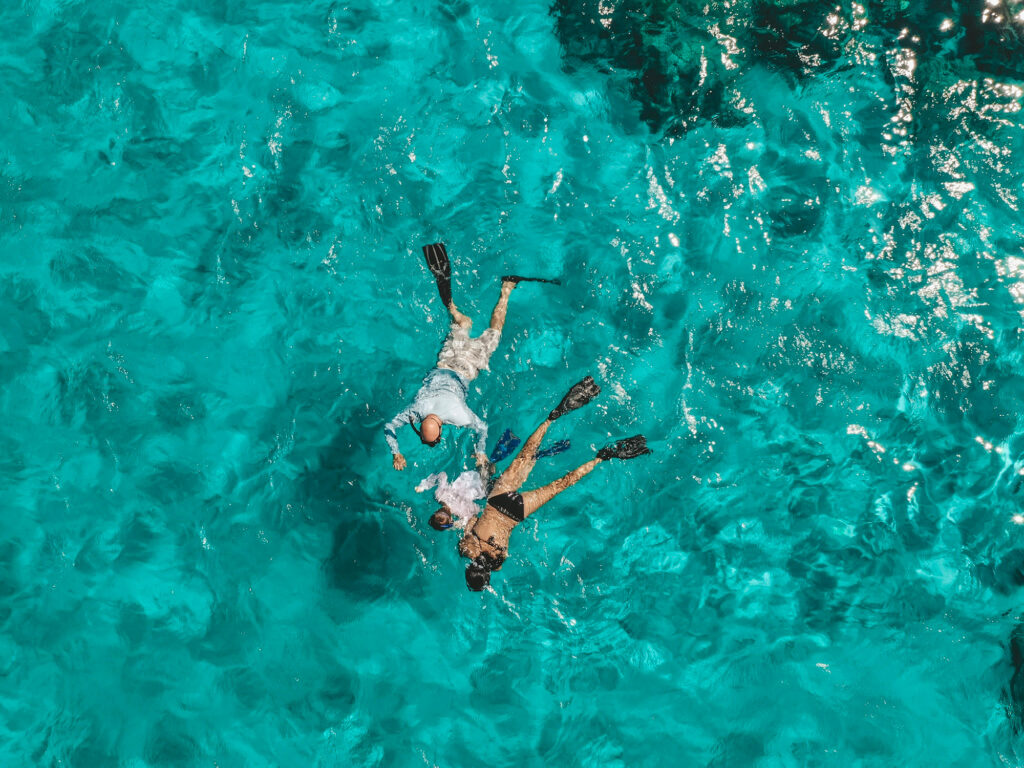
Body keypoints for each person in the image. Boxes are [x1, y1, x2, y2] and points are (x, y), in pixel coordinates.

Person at [428, 375, 652, 591]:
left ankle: (602, 456)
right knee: (526, 454)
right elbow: (474, 520)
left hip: (516, 513)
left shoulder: (498, 564)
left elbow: (502, 550)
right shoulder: (467, 549)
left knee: (562, 484)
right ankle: (554, 416)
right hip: (496, 500)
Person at [385, 243, 557, 471]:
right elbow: (389, 427)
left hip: (469, 366)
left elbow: (482, 427)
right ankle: (452, 306)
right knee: (462, 323)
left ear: (441, 431)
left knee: (494, 332)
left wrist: (480, 452)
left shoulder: (459, 416)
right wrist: (396, 452)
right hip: (446, 360)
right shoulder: (417, 408)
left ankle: (507, 288)